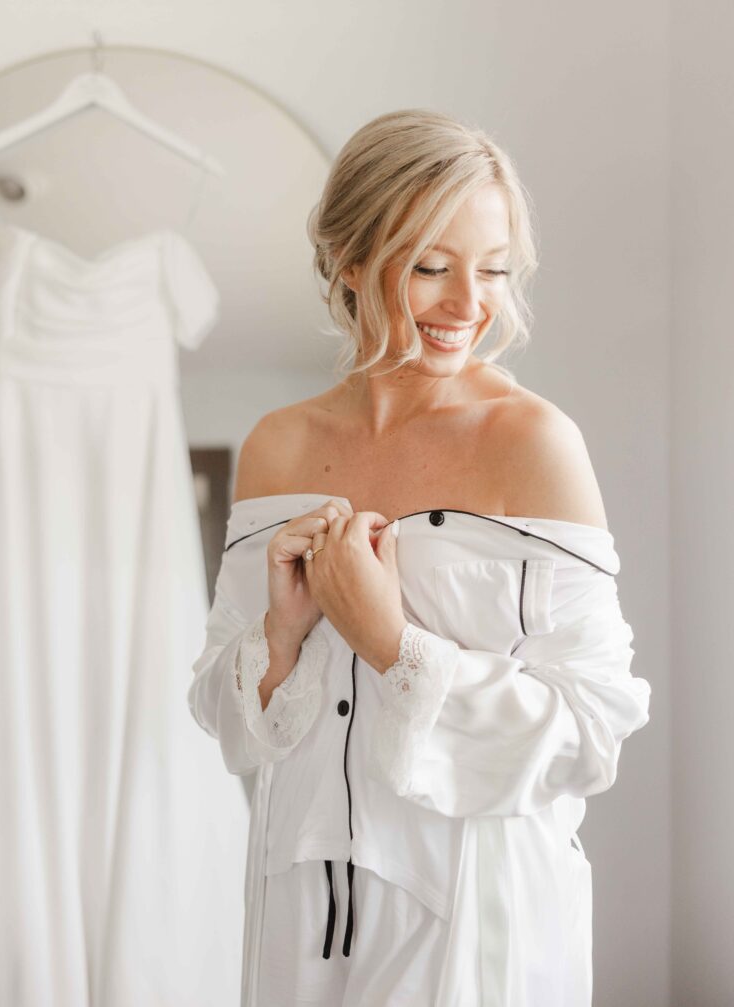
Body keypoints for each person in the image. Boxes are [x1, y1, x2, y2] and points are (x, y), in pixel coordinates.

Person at [187, 109, 652, 1006]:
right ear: (350, 262)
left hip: (478, 919)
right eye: (434, 266)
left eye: (494, 270)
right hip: (301, 910)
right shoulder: (277, 449)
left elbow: (595, 728)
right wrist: (280, 637)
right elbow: (226, 716)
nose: (469, 304)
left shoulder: (534, 444)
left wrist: (392, 641)